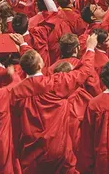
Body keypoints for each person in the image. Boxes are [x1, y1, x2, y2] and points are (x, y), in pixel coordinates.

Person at [9, 33, 98, 173]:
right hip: (58, 148)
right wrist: (90, 48)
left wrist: (23, 45)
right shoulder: (55, 83)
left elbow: (15, 124)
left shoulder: (16, 93)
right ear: (40, 65)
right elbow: (84, 71)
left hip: (31, 152)